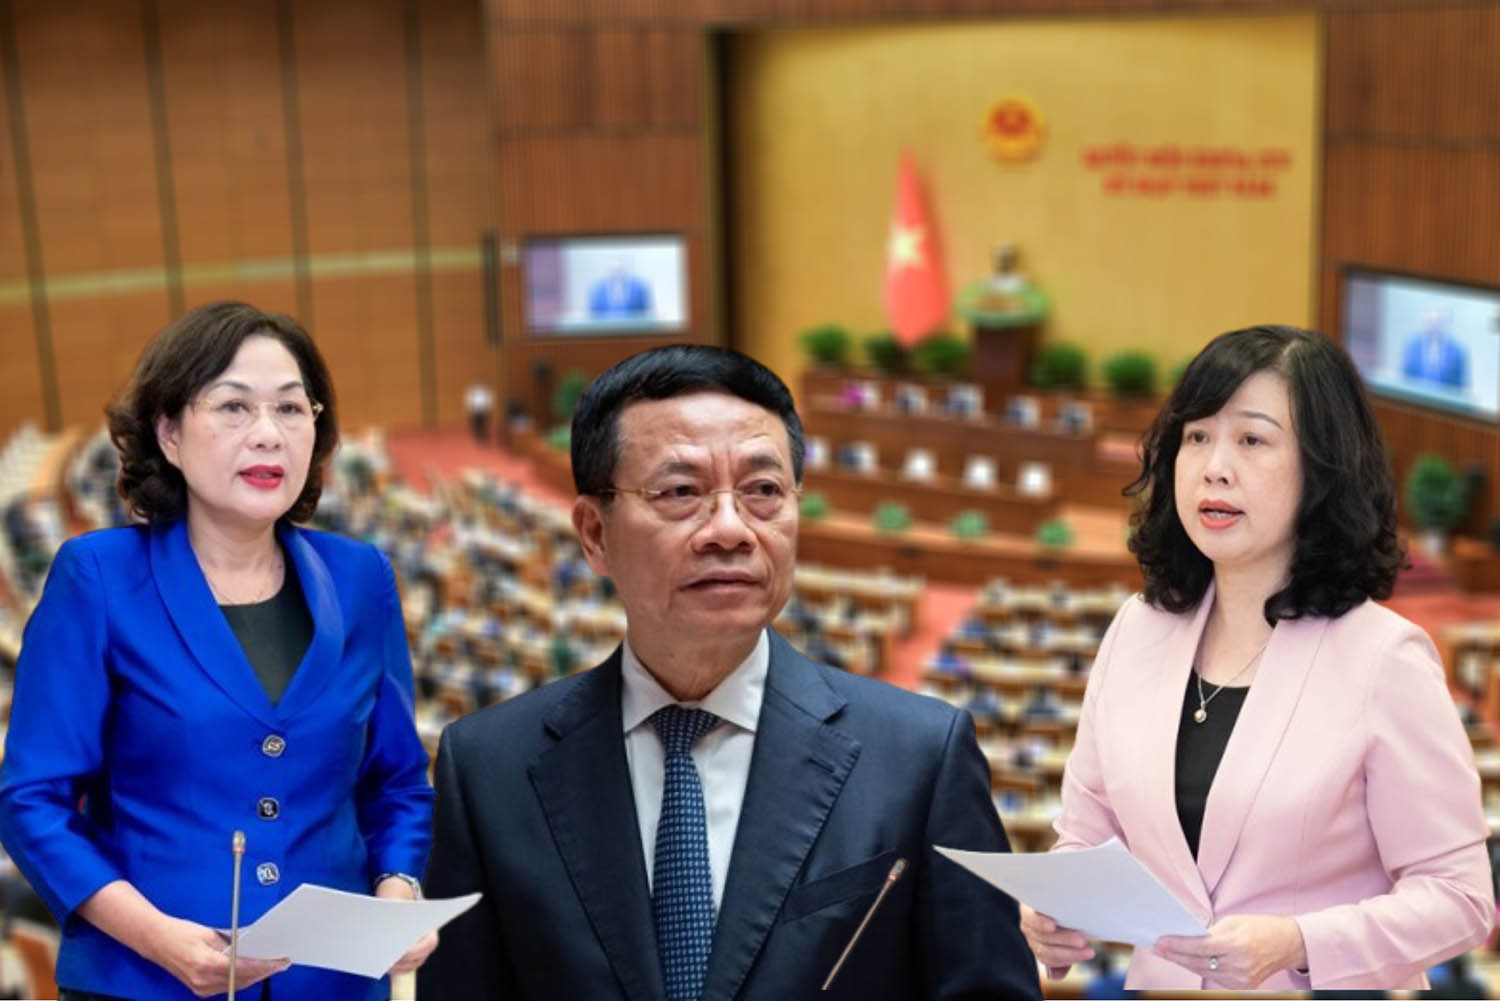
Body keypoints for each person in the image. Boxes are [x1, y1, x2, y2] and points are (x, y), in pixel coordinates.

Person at [420, 345, 1041, 1000]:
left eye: (763, 490)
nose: (729, 529)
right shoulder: (488, 769)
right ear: (594, 532)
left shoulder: (920, 759)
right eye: (681, 491)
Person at [1020, 324, 1494, 991]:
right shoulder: (1137, 629)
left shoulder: (1384, 657)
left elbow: (1461, 897)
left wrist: (1298, 942)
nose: (1215, 464)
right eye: (1196, 436)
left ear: (1321, 469)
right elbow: (1086, 834)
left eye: (1251, 439)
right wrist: (1054, 911)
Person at [0, 302, 436, 1000]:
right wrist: (154, 935)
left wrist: (398, 884)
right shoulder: (100, 577)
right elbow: (32, 801)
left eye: (293, 410)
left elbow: (396, 782)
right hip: (146, 980)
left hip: (330, 984)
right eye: (234, 408)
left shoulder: (361, 579)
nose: (269, 434)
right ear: (169, 432)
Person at [1400, 308, 1468, 389]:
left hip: (1443, 399)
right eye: (1430, 322)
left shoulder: (1457, 351)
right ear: (1424, 323)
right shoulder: (1412, 346)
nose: (1433, 326)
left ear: (1443, 324)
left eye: (1437, 322)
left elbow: (1461, 385)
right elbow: (1404, 377)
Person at [587, 261, 654, 320]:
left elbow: (646, 312)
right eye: (614, 270)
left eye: (619, 270)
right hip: (604, 330)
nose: (617, 273)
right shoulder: (598, 288)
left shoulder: (639, 287)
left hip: (633, 330)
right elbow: (592, 313)